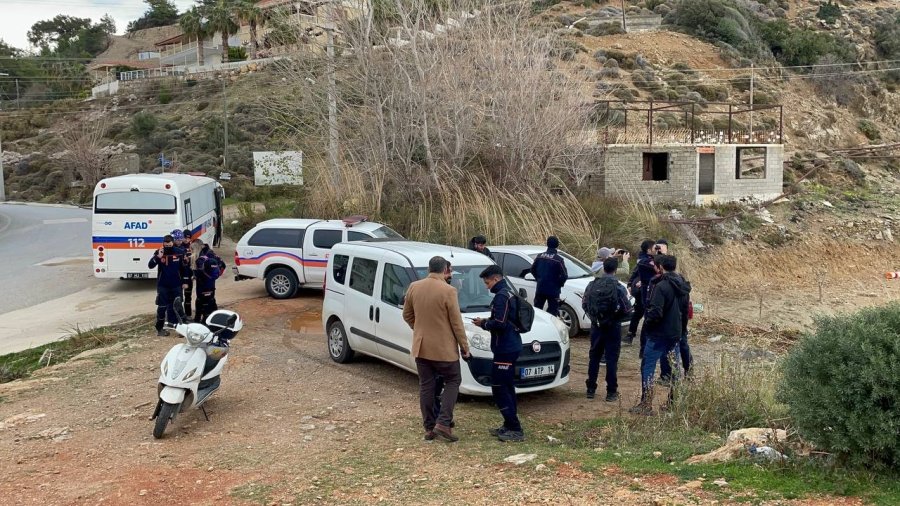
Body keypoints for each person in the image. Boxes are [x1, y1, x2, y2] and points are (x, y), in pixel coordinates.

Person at [402, 256, 471, 443]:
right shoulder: (449, 290)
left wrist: (419, 330)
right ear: (445, 270)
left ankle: (429, 427)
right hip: (444, 349)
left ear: (428, 268)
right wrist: (465, 346)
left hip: (422, 347)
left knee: (426, 386)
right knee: (453, 380)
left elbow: (406, 314)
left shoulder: (414, 287)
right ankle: (443, 422)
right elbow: (457, 323)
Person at [629, 255, 690, 416]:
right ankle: (672, 403)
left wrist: (648, 325)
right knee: (675, 368)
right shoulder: (683, 286)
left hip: (658, 334)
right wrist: (682, 331)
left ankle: (646, 403)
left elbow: (655, 312)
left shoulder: (661, 286)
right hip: (676, 333)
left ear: (660, 267)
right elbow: (685, 312)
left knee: (648, 366)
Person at [473, 265, 525, 442]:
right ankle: (508, 424)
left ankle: (515, 428)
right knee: (507, 387)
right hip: (510, 346)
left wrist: (484, 324)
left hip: (506, 348)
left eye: (487, 283)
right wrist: (487, 321)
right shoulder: (509, 293)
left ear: (496, 279)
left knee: (500, 388)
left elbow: (500, 324)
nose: (487, 286)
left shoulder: (502, 296)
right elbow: (505, 320)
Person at [583, 257, 633, 401]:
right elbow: (627, 308)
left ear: (603, 268)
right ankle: (611, 392)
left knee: (594, 357)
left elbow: (585, 303)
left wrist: (595, 318)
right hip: (613, 327)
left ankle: (590, 389)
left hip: (596, 327)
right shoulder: (618, 287)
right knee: (611, 359)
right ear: (616, 269)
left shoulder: (592, 285)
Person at [148, 234, 189, 336]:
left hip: (176, 285)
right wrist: (158, 257)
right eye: (165, 244)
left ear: (172, 242)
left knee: (178, 306)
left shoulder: (179, 252)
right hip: (163, 285)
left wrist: (185, 281)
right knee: (162, 308)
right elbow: (150, 265)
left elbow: (185, 268)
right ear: (163, 243)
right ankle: (160, 329)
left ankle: (182, 329)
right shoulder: (159, 252)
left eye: (169, 244)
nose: (167, 246)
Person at [626, 240, 657, 348]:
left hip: (643, 290)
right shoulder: (645, 261)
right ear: (649, 250)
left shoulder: (645, 259)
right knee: (640, 313)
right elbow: (636, 272)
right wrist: (631, 283)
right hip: (643, 292)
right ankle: (632, 335)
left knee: (639, 313)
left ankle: (631, 334)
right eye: (655, 248)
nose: (657, 250)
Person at [530, 236, 567, 317]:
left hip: (540, 288)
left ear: (547, 244)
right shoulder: (558, 259)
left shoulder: (539, 256)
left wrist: (538, 278)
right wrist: (559, 284)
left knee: (537, 311)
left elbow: (532, 270)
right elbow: (564, 275)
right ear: (557, 245)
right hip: (553, 290)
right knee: (552, 313)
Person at [194, 241, 226, 324]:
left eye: (192, 249)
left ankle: (206, 322)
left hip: (206, 284)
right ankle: (199, 320)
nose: (191, 251)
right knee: (203, 301)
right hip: (203, 283)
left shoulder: (208, 255)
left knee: (206, 303)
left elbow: (222, 265)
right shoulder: (206, 253)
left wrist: (213, 276)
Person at [175, 229, 195, 318]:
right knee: (179, 297)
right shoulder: (179, 247)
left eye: (188, 238)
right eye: (185, 238)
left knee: (188, 297)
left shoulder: (193, 247)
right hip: (180, 276)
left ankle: (188, 315)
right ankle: (179, 315)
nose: (186, 240)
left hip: (189, 275)